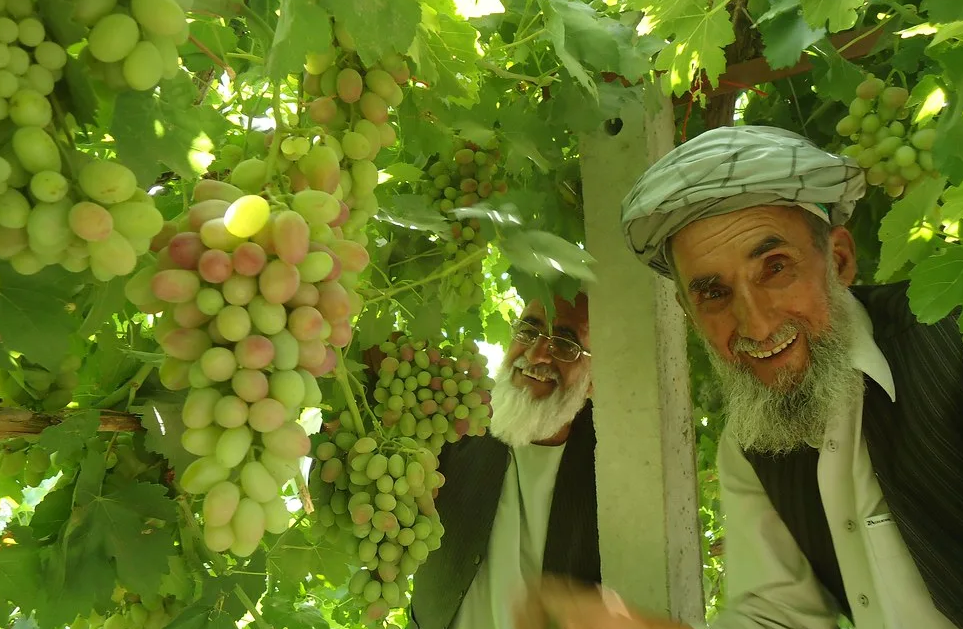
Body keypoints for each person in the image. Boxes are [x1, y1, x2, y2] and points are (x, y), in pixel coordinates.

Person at [513, 125, 963, 629]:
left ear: (838, 259)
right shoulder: (751, 445)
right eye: (714, 293)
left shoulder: (950, 342)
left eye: (775, 268)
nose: (756, 323)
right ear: (688, 310)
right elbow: (778, 618)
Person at [408, 292, 599, 629]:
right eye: (528, 331)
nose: (537, 353)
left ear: (595, 378)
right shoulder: (453, 418)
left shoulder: (613, 465)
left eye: (566, 344)